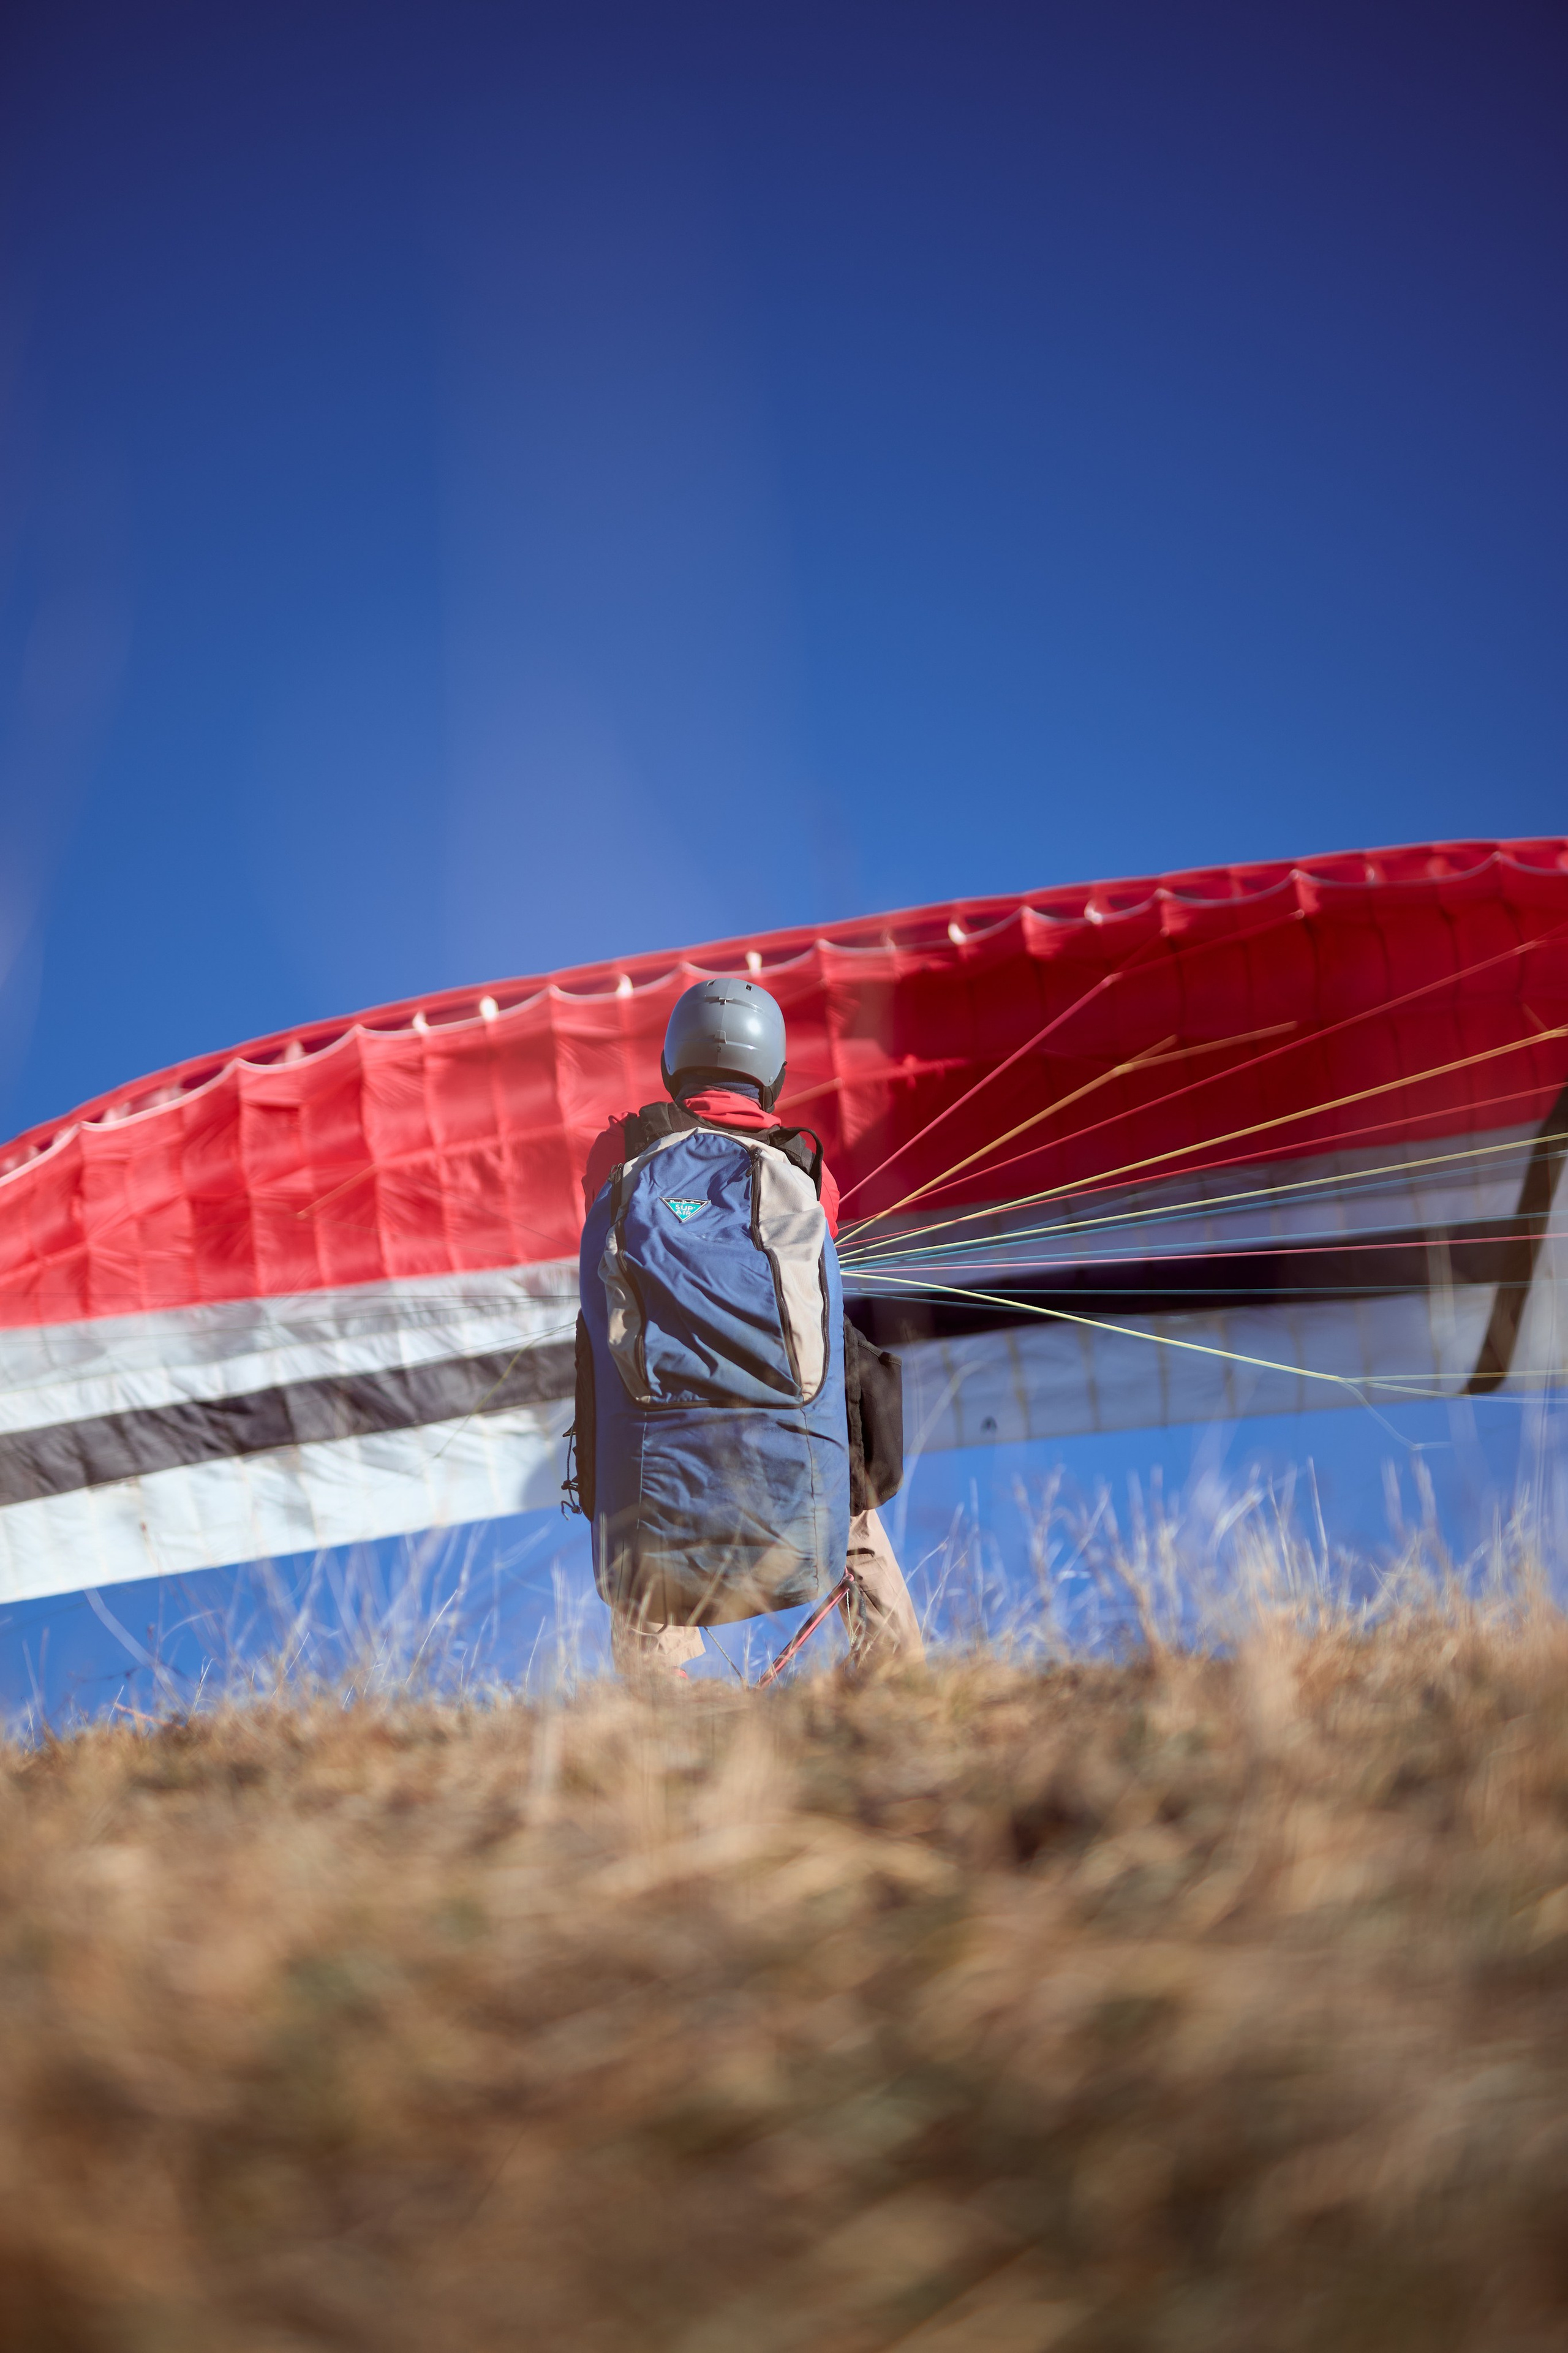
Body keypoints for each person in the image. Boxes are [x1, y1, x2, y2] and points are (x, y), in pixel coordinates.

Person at [577, 977, 923, 1681]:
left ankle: (654, 1689)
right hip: (793, 1430)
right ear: (773, 1070)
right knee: (847, 1497)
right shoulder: (805, 1165)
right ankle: (896, 1668)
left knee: (637, 1496)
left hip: (658, 1433)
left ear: (676, 1061)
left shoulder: (620, 1148)